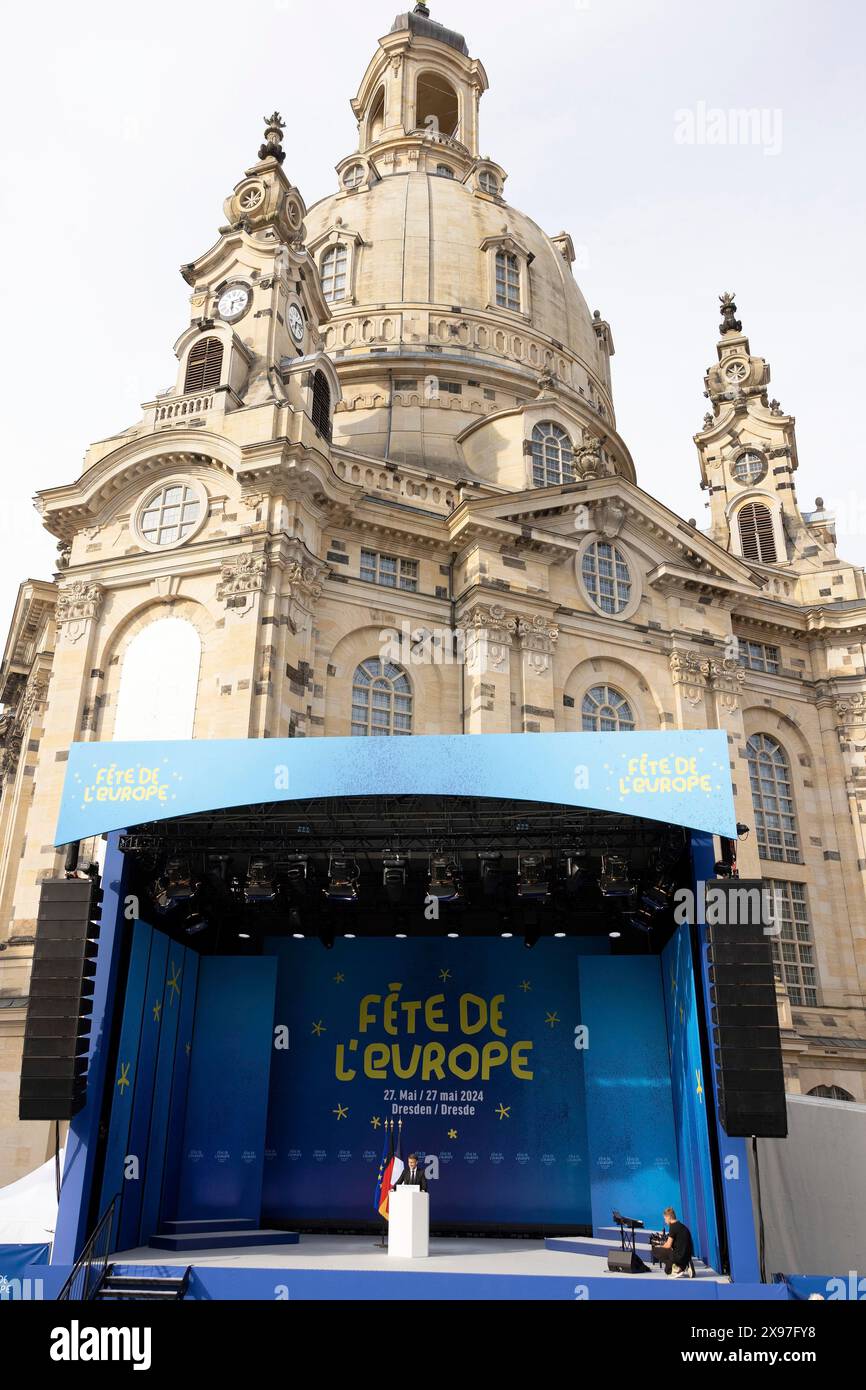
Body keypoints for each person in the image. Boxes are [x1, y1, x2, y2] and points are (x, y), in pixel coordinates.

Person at [657, 1206, 695, 1278]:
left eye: (665, 1218)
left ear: (669, 1217)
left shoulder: (673, 1227)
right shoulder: (683, 1227)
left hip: (679, 1257)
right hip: (687, 1256)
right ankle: (684, 1266)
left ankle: (677, 1268)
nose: (665, 1221)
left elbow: (668, 1245)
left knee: (655, 1251)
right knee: (667, 1270)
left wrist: (660, 1246)